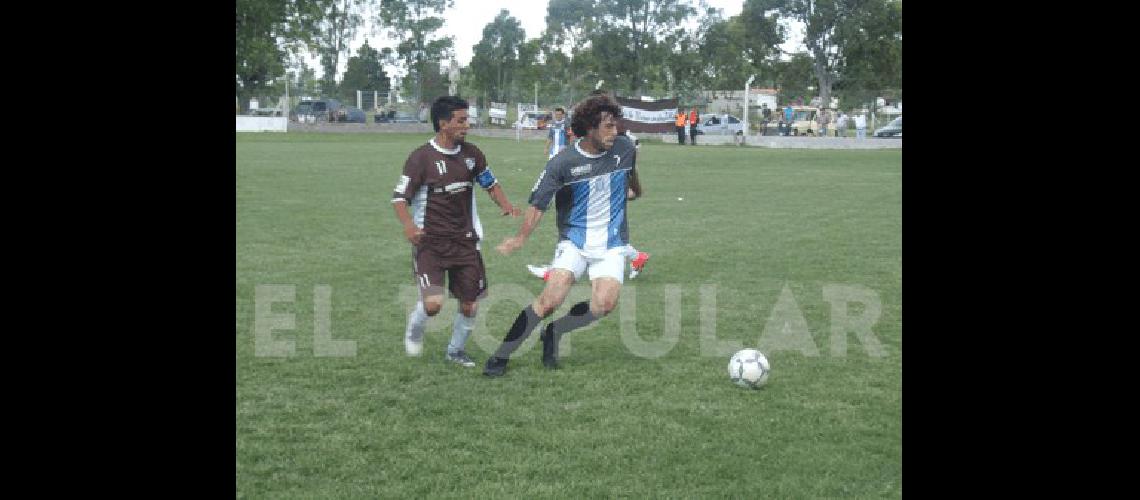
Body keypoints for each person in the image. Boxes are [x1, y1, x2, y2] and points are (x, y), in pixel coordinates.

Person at [484, 93, 642, 377]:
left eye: (615, 124)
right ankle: (501, 356)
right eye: (607, 126)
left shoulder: (625, 148)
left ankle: (555, 332)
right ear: (590, 128)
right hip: (575, 240)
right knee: (550, 300)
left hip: (612, 243)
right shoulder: (562, 162)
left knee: (604, 305)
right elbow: (538, 205)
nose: (614, 131)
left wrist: (635, 191)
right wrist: (519, 239)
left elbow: (630, 173)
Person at [391, 95, 522, 367]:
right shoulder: (421, 158)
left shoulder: (472, 155)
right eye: (461, 121)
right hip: (431, 244)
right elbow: (399, 198)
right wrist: (408, 225)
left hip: (466, 242)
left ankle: (455, 351)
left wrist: (506, 204)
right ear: (443, 124)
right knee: (433, 305)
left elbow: (490, 183)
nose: (467, 126)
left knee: (470, 304)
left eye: (467, 120)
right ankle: (415, 329)